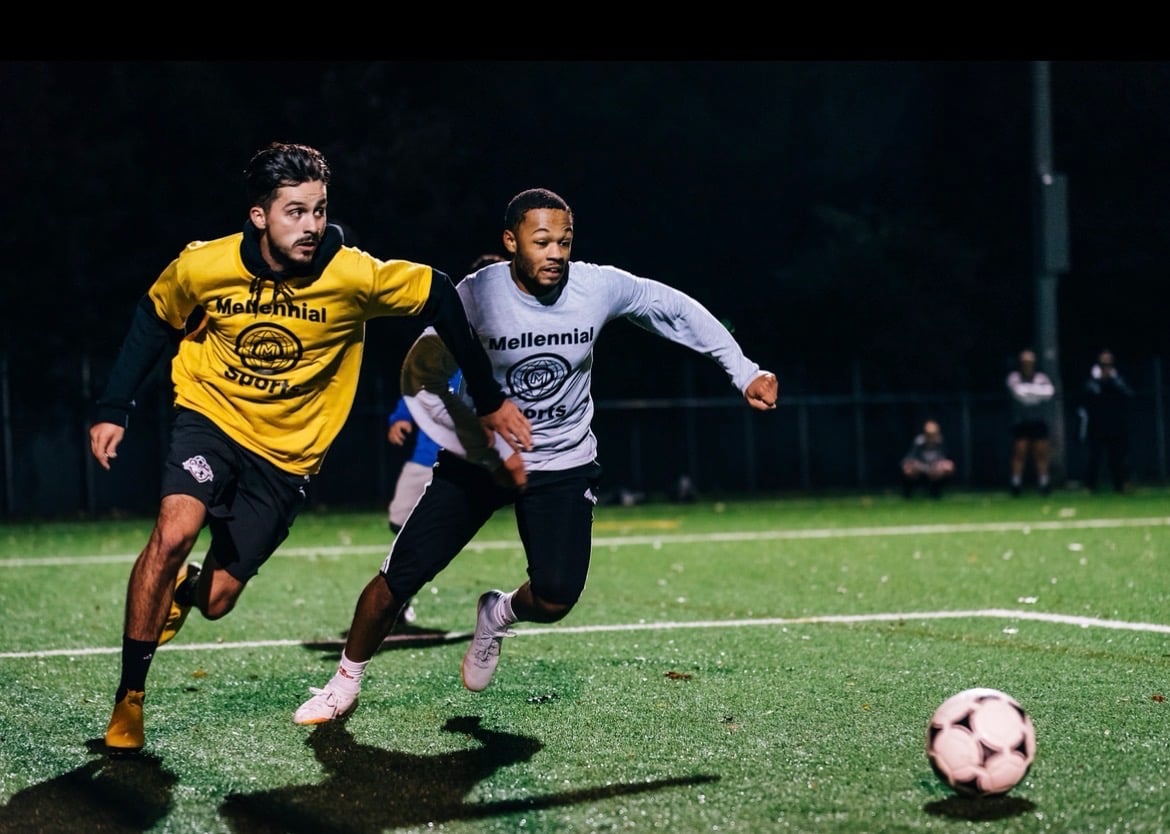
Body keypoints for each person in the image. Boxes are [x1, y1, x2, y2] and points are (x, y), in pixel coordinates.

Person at [88, 142, 532, 752]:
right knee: (172, 534)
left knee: (217, 602)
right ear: (259, 215)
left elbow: (437, 290)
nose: (311, 225)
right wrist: (115, 407)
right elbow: (155, 317)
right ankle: (129, 701)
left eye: (319, 210)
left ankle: (188, 593)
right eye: (294, 211)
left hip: (286, 457)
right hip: (210, 419)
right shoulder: (203, 266)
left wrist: (485, 397)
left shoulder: (351, 274)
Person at [293, 186, 779, 724]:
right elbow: (421, 374)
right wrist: (479, 442)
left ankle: (497, 613)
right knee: (398, 579)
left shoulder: (596, 287)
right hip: (481, 465)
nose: (555, 253)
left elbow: (671, 307)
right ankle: (344, 682)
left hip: (562, 463)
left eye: (564, 242)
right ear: (511, 242)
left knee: (556, 597)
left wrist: (744, 370)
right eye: (541, 241)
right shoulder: (477, 296)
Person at [1077, 348, 1135, 493]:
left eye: (1108, 363)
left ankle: (1120, 484)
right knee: (1094, 456)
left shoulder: (1118, 379)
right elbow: (1084, 398)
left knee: (1117, 456)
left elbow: (1128, 394)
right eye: (1103, 364)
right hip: (1096, 424)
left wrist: (1114, 382)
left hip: (1116, 423)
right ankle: (1090, 485)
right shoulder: (1091, 380)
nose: (1106, 367)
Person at [1006, 348, 1055, 496]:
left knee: (1041, 453)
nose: (1027, 365)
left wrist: (1029, 392)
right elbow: (1019, 395)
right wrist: (1036, 392)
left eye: (1030, 362)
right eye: (1025, 362)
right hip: (1021, 422)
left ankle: (1044, 483)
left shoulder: (1042, 377)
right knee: (1019, 452)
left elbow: (1048, 393)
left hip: (1038, 421)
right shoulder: (1014, 377)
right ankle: (1016, 483)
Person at [899, 418, 955, 499]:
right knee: (908, 468)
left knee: (948, 467)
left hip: (934, 469)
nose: (931, 437)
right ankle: (908, 492)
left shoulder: (940, 442)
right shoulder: (919, 442)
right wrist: (919, 467)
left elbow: (945, 458)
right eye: (929, 434)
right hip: (920, 468)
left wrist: (938, 466)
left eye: (933, 434)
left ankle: (936, 491)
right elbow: (910, 458)